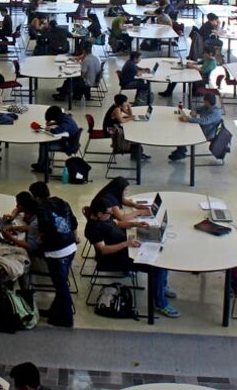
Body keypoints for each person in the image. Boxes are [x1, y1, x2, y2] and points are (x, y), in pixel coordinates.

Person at [85, 198, 179, 318]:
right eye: (109, 213)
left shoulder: (105, 218)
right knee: (158, 266)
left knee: (161, 257)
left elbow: (118, 223)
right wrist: (126, 244)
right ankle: (161, 303)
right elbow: (103, 250)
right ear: (99, 214)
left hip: (127, 249)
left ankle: (161, 287)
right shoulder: (94, 228)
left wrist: (136, 224)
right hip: (115, 259)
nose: (112, 214)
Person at [31, 181, 79, 327]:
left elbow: (44, 229)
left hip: (56, 252)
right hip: (70, 247)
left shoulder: (41, 209)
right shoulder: (61, 201)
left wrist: (39, 239)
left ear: (35, 196)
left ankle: (67, 318)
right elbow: (74, 223)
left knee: (61, 286)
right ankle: (55, 311)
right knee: (61, 284)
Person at [169, 92, 222, 162]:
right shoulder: (207, 107)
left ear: (207, 102)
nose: (203, 102)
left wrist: (189, 119)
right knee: (182, 129)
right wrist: (193, 111)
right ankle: (181, 150)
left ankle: (181, 152)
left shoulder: (215, 112)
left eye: (204, 101)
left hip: (207, 133)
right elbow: (197, 108)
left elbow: (204, 121)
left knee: (184, 132)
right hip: (202, 128)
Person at [32, 105, 80, 173]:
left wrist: (50, 129)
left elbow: (58, 130)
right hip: (67, 140)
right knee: (44, 143)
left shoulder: (66, 122)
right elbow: (60, 122)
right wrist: (53, 123)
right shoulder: (65, 117)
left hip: (69, 145)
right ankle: (44, 163)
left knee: (44, 144)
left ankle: (43, 167)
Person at [103, 94, 149, 161]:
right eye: (126, 101)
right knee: (130, 134)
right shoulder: (117, 109)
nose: (127, 102)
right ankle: (136, 153)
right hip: (110, 130)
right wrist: (130, 118)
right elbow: (122, 120)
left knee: (130, 131)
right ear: (122, 102)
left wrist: (128, 106)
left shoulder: (118, 106)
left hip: (115, 126)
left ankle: (137, 154)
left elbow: (129, 114)